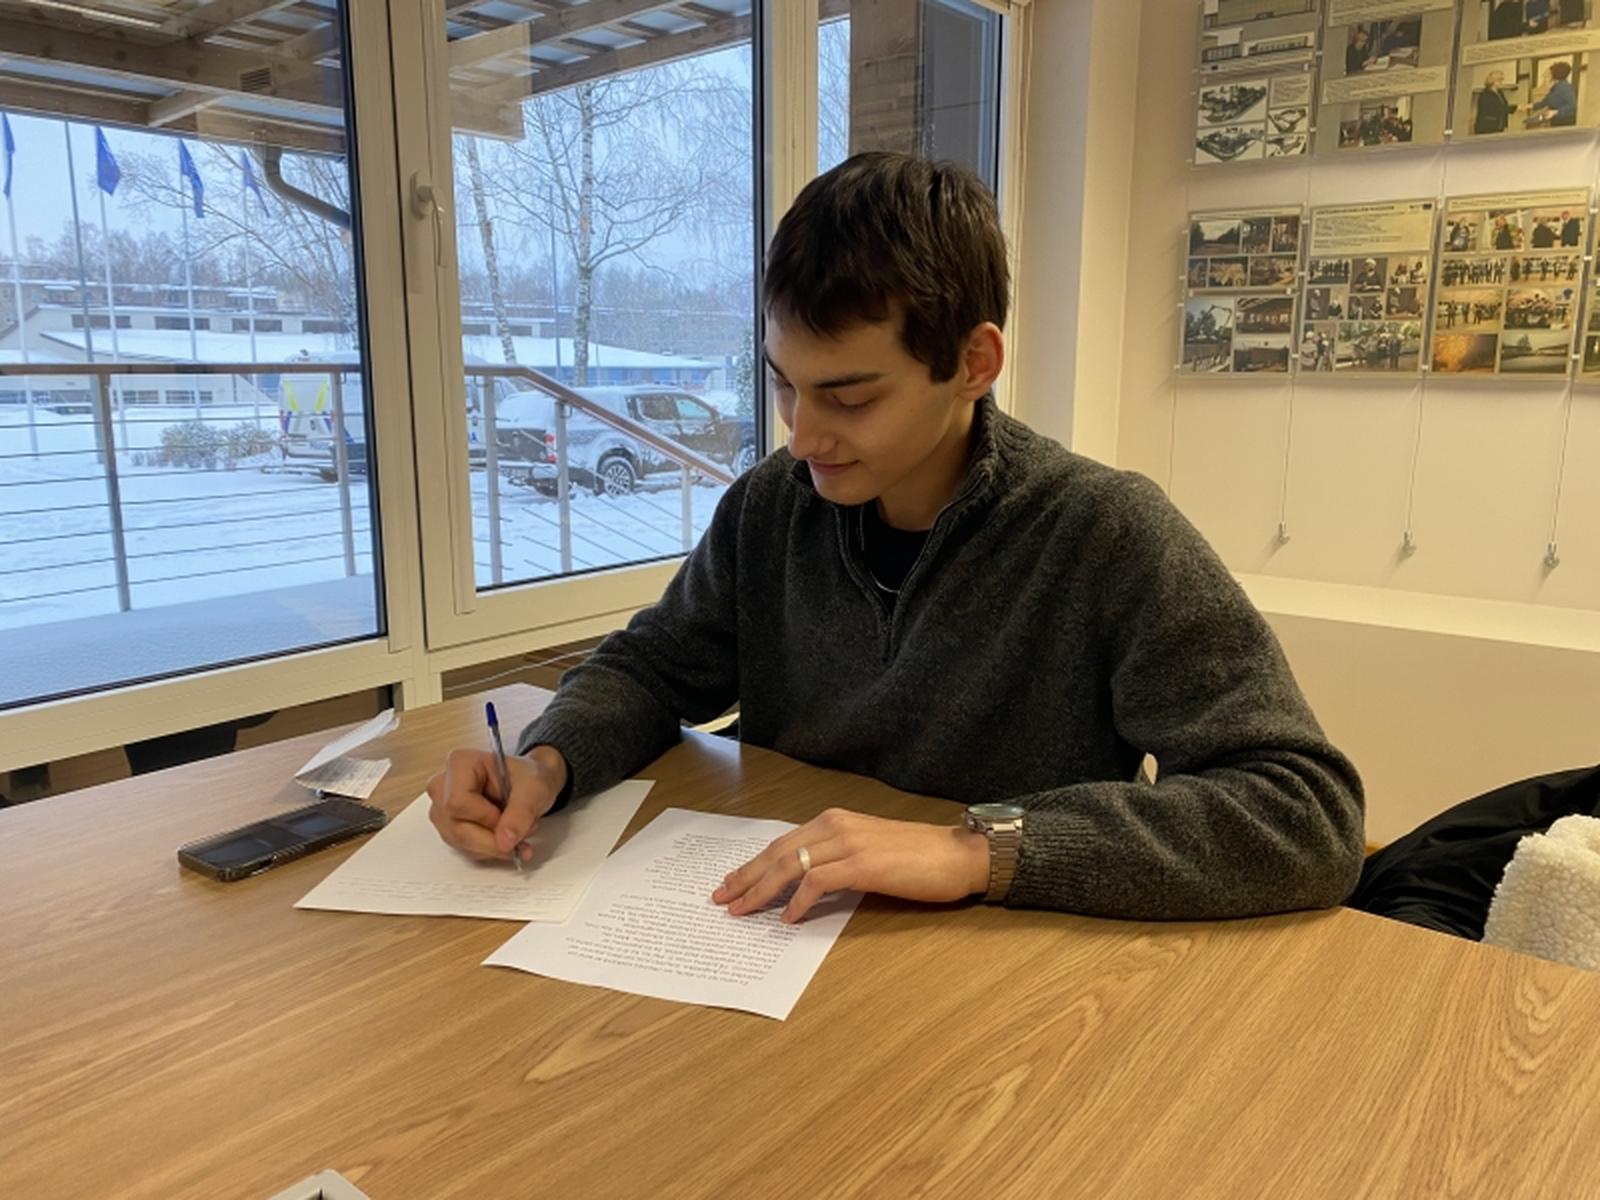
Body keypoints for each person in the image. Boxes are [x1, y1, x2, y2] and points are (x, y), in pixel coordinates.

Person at [425, 152, 1365, 923]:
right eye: (784, 383)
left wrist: (973, 849)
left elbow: (1307, 815)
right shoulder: (771, 506)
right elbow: (652, 668)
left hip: (998, 977)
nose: (803, 437)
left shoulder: (1104, 534)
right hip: (773, 933)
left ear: (973, 363)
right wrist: (547, 761)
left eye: (850, 396)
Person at [1532, 61, 1578, 126]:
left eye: (1547, 75)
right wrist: (1527, 106)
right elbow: (1544, 102)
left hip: (1565, 124)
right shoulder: (1554, 89)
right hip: (1555, 123)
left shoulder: (1565, 87)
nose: (1544, 77)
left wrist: (1555, 112)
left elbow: (1572, 106)